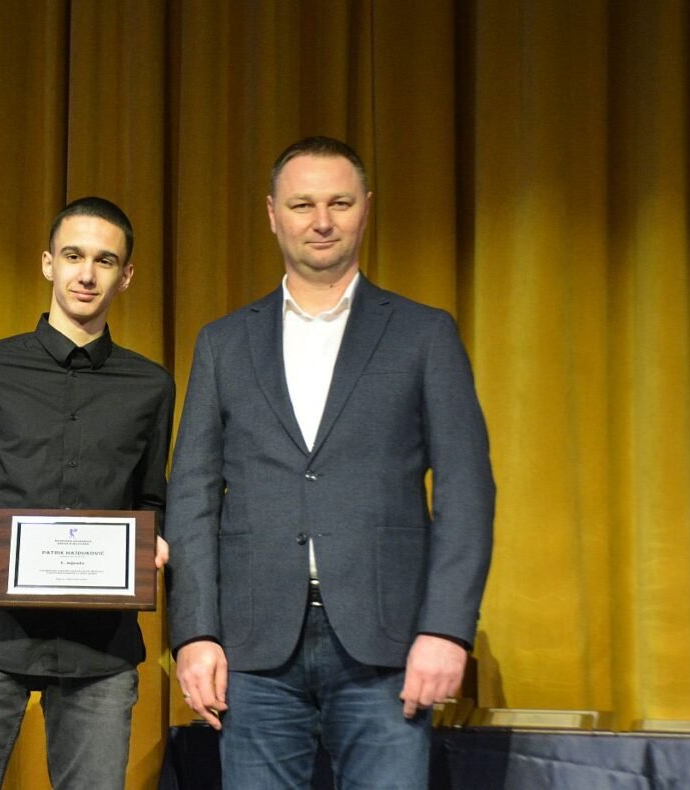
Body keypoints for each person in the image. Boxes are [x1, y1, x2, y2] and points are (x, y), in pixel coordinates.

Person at [165, 137, 495, 789]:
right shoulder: (223, 343)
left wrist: (446, 630)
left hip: (389, 648)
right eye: (303, 204)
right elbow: (192, 498)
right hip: (254, 652)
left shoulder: (424, 333)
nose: (322, 221)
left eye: (339, 203)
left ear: (366, 208)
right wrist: (195, 634)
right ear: (272, 214)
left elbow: (466, 490)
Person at [0, 196, 175, 790]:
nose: (87, 274)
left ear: (126, 276)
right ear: (48, 263)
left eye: (105, 260)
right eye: (74, 256)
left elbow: (152, 499)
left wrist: (154, 542)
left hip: (100, 648)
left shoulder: (151, 386)